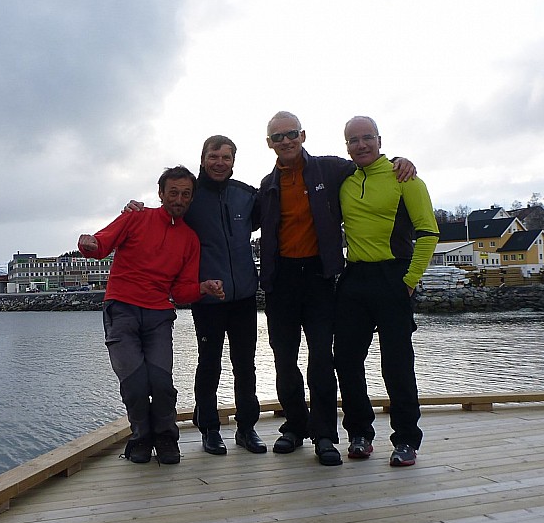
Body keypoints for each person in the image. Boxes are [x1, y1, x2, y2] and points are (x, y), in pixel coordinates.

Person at [257, 111, 414, 466]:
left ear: (303, 135)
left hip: (319, 277)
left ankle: (325, 434)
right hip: (281, 280)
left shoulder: (330, 170)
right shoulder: (266, 186)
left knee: (322, 360)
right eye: (278, 136)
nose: (286, 141)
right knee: (284, 359)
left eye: (291, 133)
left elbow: (368, 162)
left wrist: (401, 161)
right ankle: (294, 426)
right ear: (270, 143)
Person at [124, 136, 266, 457]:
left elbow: (275, 214)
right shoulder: (190, 197)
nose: (219, 162)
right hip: (207, 298)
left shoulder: (246, 195)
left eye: (225, 157)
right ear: (203, 159)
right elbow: (163, 215)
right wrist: (135, 209)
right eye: (213, 156)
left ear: (233, 161)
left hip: (243, 295)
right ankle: (210, 429)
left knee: (245, 365)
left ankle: (246, 428)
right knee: (209, 365)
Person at [78, 165, 225, 465]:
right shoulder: (135, 217)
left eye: (185, 194)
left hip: (159, 314)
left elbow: (182, 292)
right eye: (173, 193)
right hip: (122, 310)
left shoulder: (190, 240)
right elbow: (102, 242)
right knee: (134, 383)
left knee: (161, 383)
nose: (179, 199)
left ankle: (166, 439)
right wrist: (88, 243)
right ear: (160, 194)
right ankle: (141, 438)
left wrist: (203, 287)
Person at [333, 115, 439, 467]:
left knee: (396, 364)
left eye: (367, 138)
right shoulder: (344, 180)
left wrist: (410, 280)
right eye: (353, 140)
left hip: (394, 276)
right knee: (346, 360)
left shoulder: (404, 177)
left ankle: (406, 439)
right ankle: (360, 433)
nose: (361, 145)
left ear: (379, 140)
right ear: (345, 146)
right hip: (354, 277)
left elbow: (428, 232)